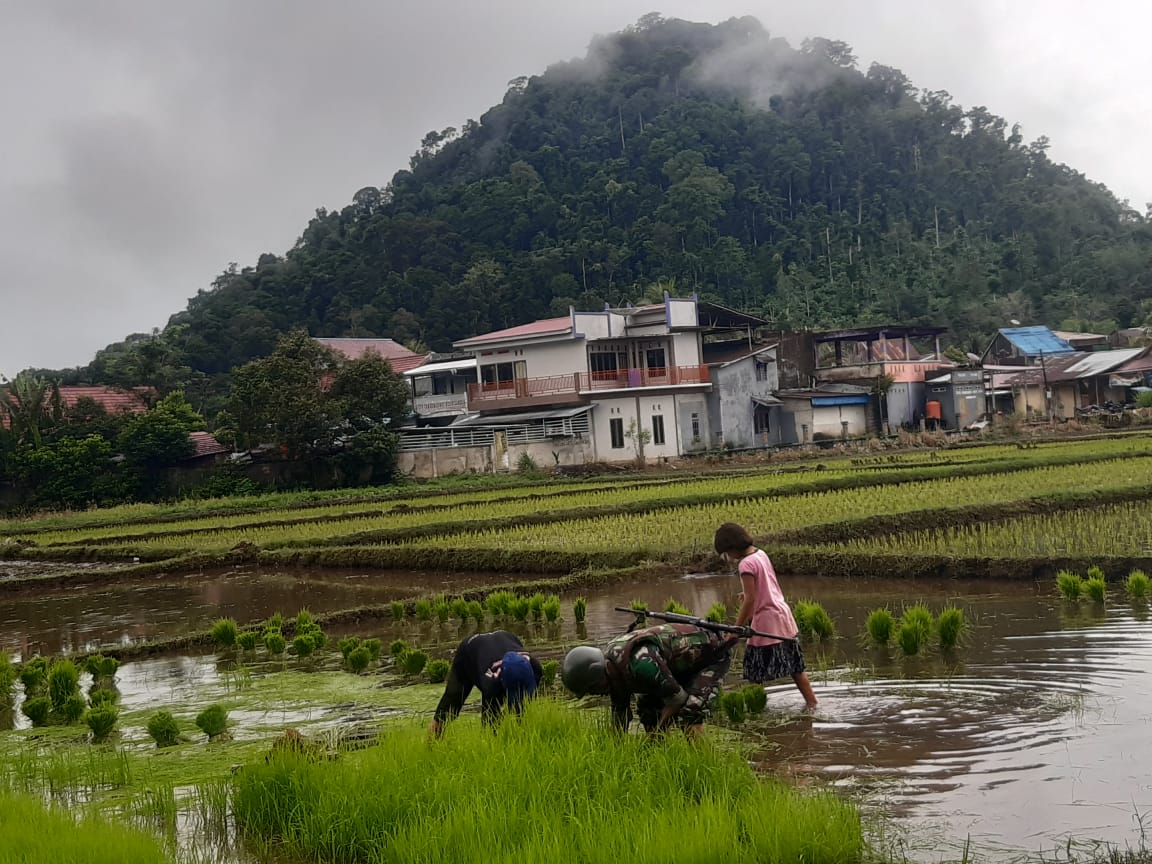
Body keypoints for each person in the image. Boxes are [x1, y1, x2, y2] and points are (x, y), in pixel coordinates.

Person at [561, 622, 736, 737]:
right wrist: (614, 747)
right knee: (648, 712)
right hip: (673, 666)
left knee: (690, 712)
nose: (596, 694)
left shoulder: (641, 664)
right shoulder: (612, 672)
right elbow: (620, 714)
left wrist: (655, 736)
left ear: (597, 677)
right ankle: (660, 760)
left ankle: (702, 766)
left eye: (592, 689)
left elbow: (677, 699)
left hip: (709, 657)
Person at [713, 521, 818, 710]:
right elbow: (765, 586)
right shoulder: (760, 554)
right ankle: (812, 704)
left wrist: (736, 629)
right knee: (796, 668)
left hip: (766, 621)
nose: (728, 557)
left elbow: (751, 600)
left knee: (754, 673)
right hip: (782, 615)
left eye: (727, 553)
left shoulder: (745, 565)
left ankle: (755, 711)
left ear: (732, 548)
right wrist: (747, 596)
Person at [428, 630, 542, 738]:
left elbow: (526, 704)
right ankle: (430, 746)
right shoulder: (491, 683)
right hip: (469, 651)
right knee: (449, 706)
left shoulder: (535, 668)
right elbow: (488, 729)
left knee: (521, 709)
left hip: (506, 637)